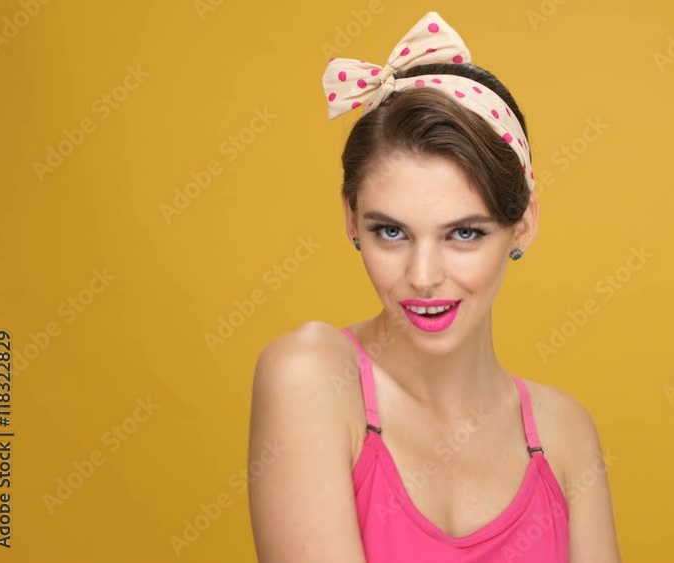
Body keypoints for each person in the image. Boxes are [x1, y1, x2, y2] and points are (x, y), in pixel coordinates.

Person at [247, 11, 622, 563]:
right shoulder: (311, 378)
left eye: (464, 233)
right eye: (391, 232)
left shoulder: (564, 434)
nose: (423, 277)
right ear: (352, 220)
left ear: (523, 226)